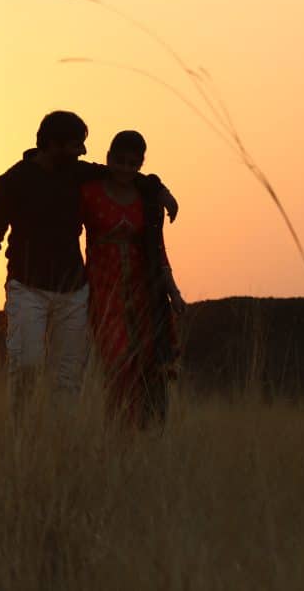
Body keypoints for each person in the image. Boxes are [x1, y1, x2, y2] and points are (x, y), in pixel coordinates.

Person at [0, 111, 177, 429]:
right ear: (53, 144)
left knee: (68, 379)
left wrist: (158, 189)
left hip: (74, 292)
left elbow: (122, 173)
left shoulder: (78, 174)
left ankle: (59, 445)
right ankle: (22, 436)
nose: (83, 152)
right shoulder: (11, 182)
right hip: (26, 288)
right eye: (76, 145)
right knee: (26, 364)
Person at [80, 130, 185, 429]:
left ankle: (139, 433)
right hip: (103, 290)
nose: (125, 169)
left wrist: (173, 292)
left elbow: (158, 249)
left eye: (132, 163)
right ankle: (115, 427)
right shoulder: (90, 192)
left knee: (147, 365)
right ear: (109, 159)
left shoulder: (146, 199)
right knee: (117, 361)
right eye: (120, 161)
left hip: (143, 292)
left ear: (140, 164)